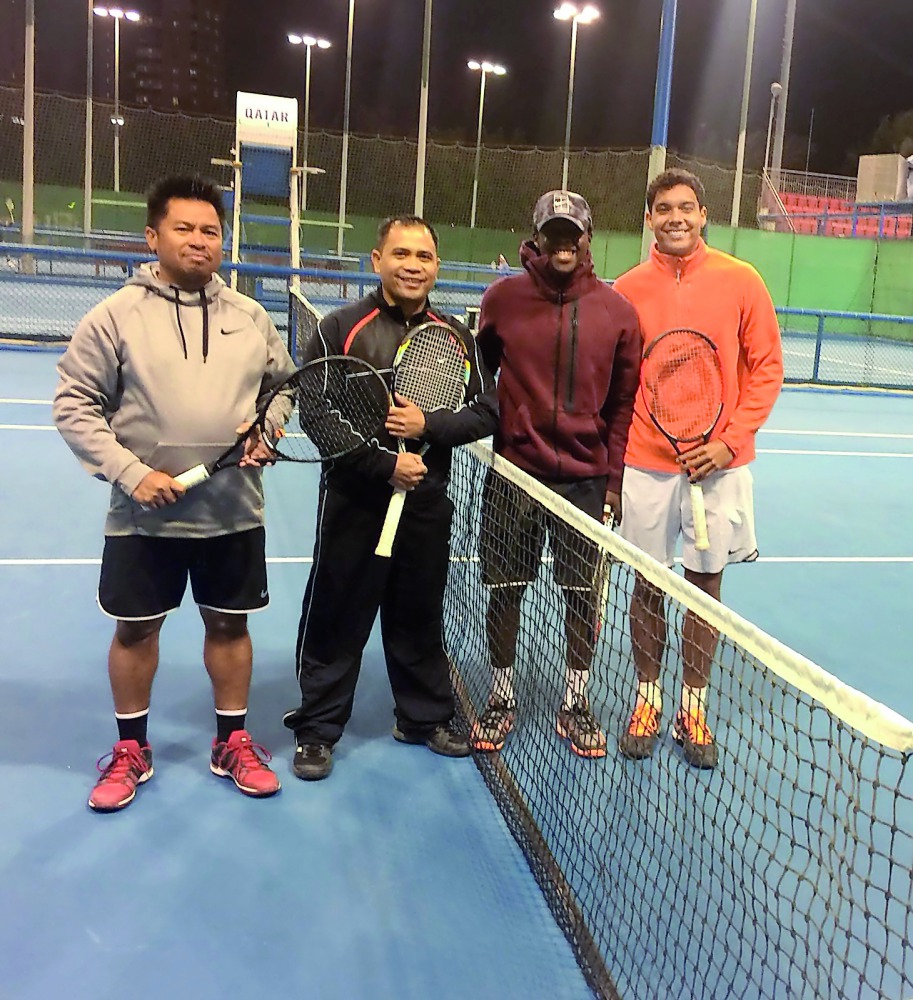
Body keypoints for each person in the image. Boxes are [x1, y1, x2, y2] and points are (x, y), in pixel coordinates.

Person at [53, 174, 297, 811]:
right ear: (153, 235)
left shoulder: (250, 316)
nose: (198, 241)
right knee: (136, 631)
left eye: (210, 230)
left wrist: (268, 430)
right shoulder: (114, 316)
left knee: (229, 624)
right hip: (142, 520)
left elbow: (284, 388)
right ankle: (132, 748)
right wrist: (133, 474)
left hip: (233, 511)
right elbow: (74, 405)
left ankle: (232, 740)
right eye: (183, 228)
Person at [282, 214, 499, 781]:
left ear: (436, 267)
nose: (412, 266)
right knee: (337, 615)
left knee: (418, 616)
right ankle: (317, 728)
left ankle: (423, 718)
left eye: (424, 257)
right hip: (355, 502)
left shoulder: (455, 337)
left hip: (426, 504)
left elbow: (485, 411)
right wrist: (383, 465)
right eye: (401, 254)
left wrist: (427, 424)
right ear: (377, 260)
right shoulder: (338, 329)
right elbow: (317, 412)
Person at [613, 167, 783, 769]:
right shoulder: (628, 288)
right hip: (646, 463)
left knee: (706, 587)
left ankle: (694, 705)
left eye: (687, 207)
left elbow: (766, 369)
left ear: (704, 214)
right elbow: (616, 379)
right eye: (664, 208)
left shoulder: (742, 281)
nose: (676, 217)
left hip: (720, 463)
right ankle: (648, 697)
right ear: (650, 218)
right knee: (647, 583)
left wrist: (730, 443)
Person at [471, 190, 643, 758]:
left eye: (574, 233)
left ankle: (575, 700)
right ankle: (501, 695)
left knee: (580, 598)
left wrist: (612, 481)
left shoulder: (618, 313)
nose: (564, 243)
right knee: (504, 590)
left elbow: (622, 405)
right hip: (514, 474)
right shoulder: (502, 299)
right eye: (554, 232)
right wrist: (508, 424)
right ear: (538, 235)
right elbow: (482, 368)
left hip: (587, 481)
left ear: (588, 236)